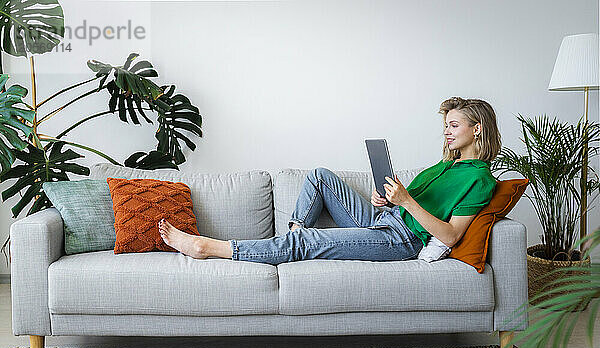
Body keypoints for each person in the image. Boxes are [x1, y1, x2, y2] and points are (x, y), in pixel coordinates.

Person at [158, 96, 501, 265]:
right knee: (320, 176)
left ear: (478, 129)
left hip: (401, 241)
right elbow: (411, 202)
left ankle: (208, 247)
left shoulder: (480, 179)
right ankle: (293, 238)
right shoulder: (446, 165)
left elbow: (452, 235)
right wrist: (388, 199)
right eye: (447, 124)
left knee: (308, 241)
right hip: (385, 219)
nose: (447, 130)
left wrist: (406, 202)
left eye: (455, 125)